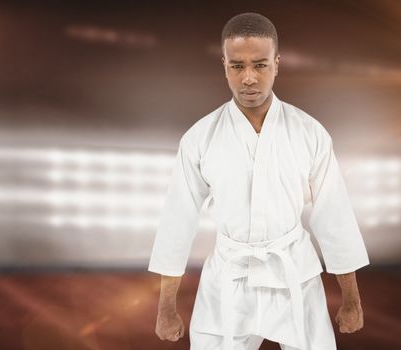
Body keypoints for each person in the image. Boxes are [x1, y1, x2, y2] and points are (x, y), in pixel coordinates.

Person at [147, 12, 369, 350]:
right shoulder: (200, 138)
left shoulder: (309, 133)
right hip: (229, 279)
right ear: (224, 65)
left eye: (260, 65)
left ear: (277, 64)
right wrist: (165, 308)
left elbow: (334, 216)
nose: (249, 78)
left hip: (294, 274)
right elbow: (178, 221)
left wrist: (351, 299)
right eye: (237, 66)